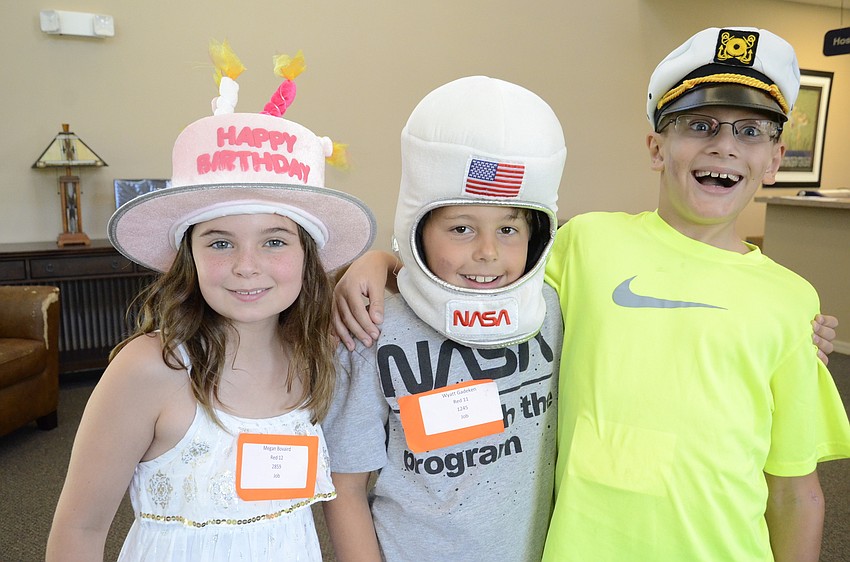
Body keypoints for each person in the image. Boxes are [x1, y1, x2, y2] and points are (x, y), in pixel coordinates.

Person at [332, 27, 850, 561]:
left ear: (775, 157)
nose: (724, 145)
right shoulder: (586, 241)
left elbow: (798, 492)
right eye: (699, 125)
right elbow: (479, 268)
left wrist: (796, 330)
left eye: (751, 132)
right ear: (656, 147)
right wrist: (383, 260)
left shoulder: (792, 302)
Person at [46, 43, 376, 561]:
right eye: (220, 242)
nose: (247, 264)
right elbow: (79, 531)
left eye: (274, 240)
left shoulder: (316, 356)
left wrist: (382, 262)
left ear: (308, 257)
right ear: (189, 257)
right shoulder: (151, 369)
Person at [321, 76, 566, 561]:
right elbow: (344, 486)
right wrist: (381, 260)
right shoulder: (372, 327)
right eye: (461, 227)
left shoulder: (555, 307)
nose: (487, 252)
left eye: (509, 229)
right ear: (418, 226)